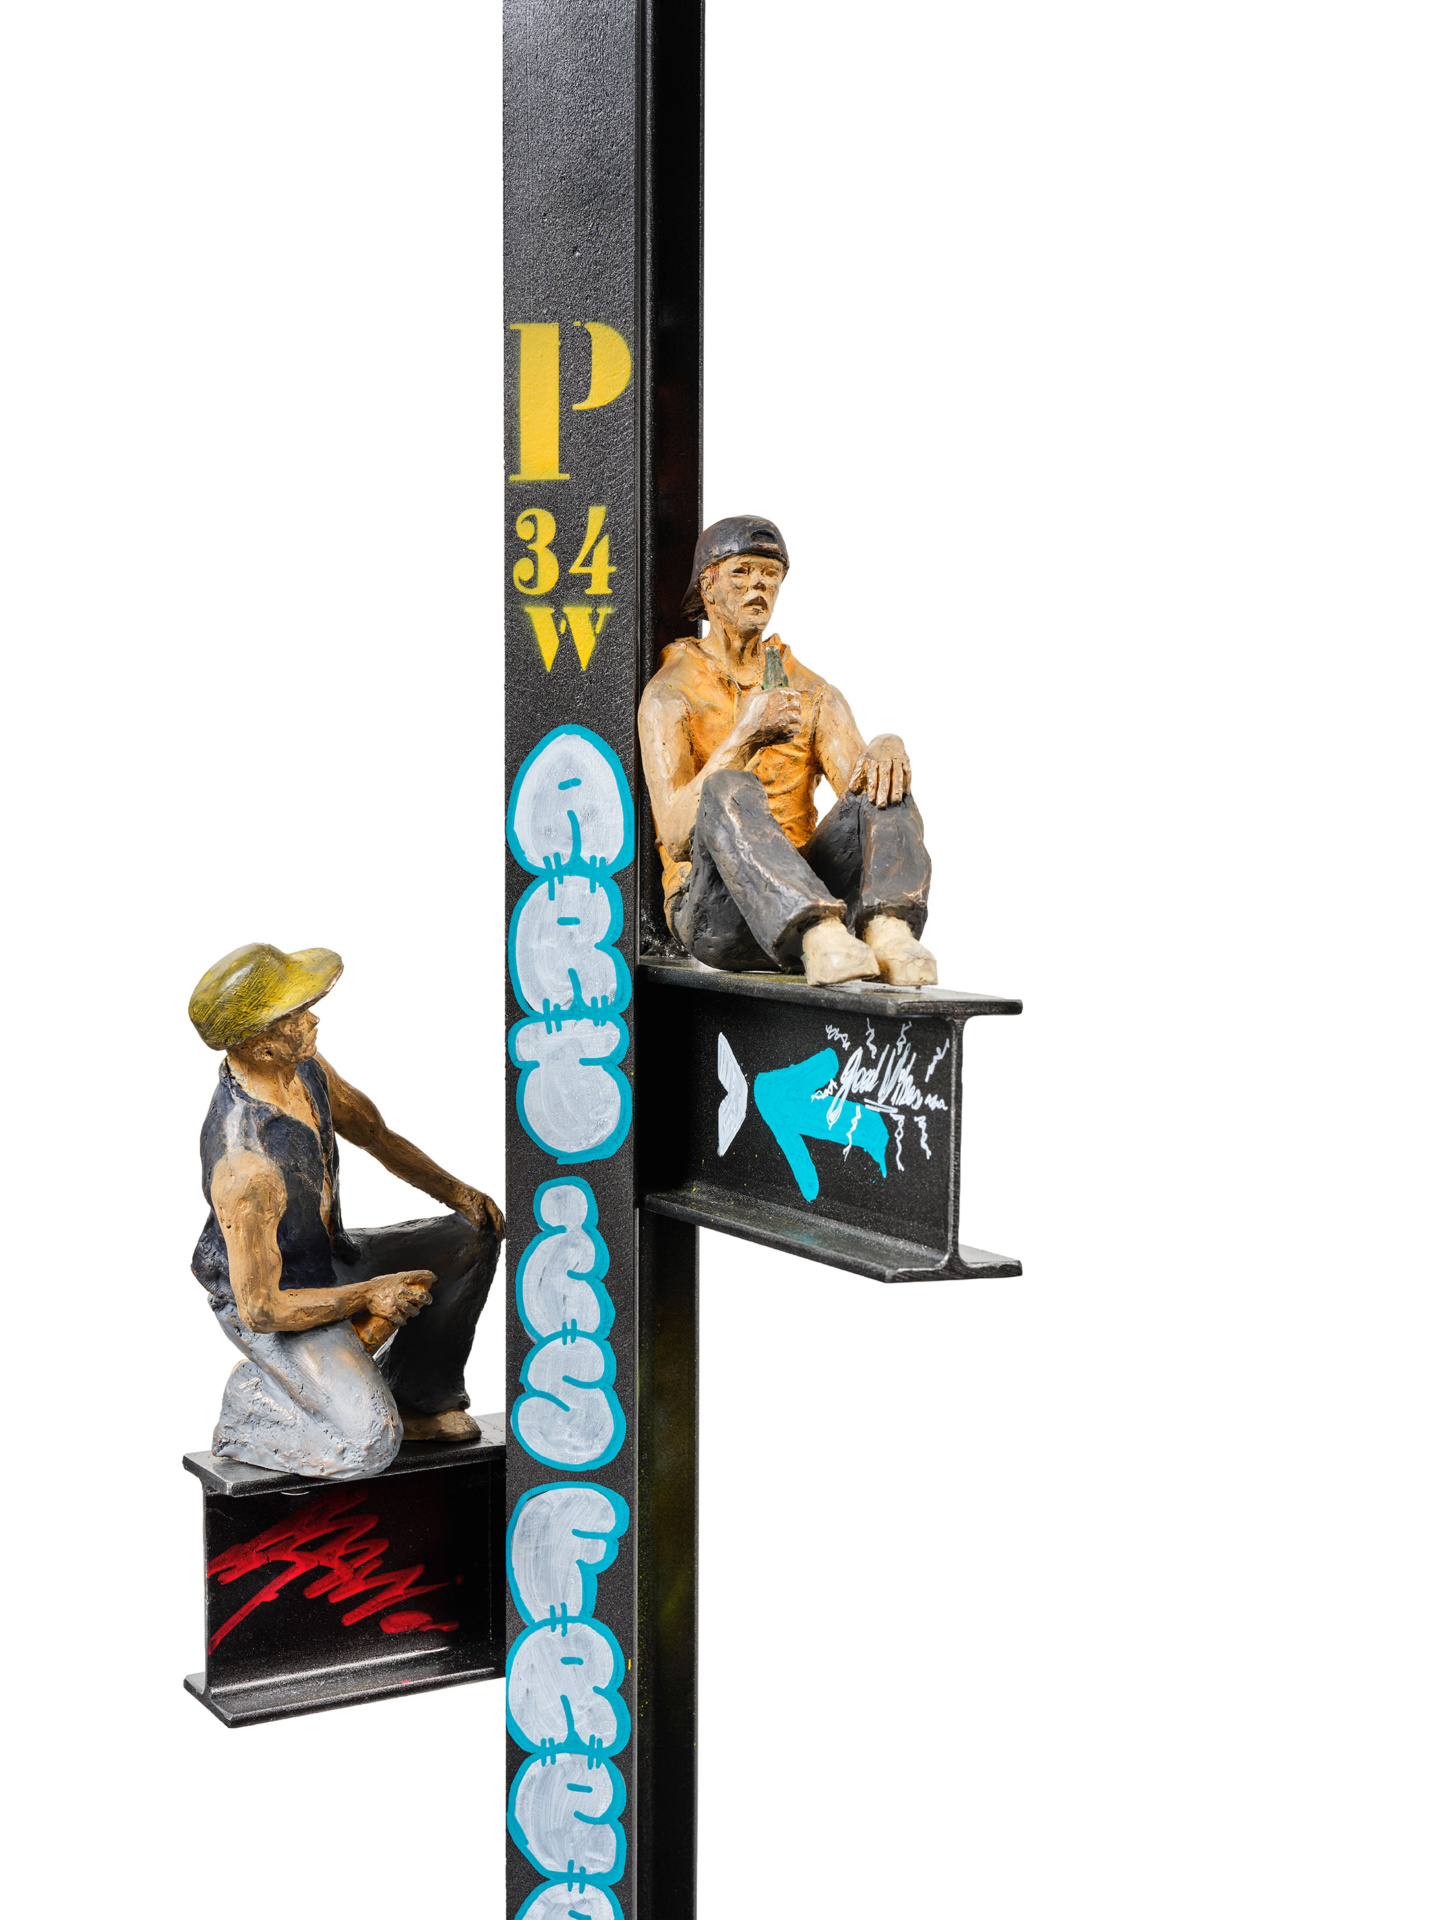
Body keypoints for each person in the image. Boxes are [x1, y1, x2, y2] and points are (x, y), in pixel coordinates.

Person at [189, 942, 504, 1480]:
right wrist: (368, 1296)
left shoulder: (305, 1072)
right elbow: (262, 1308)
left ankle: (419, 1396)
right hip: (274, 1298)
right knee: (368, 1446)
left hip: (329, 1258)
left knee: (472, 1234)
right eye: (295, 1015)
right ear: (261, 1044)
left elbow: (375, 1134)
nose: (313, 1020)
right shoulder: (244, 1167)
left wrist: (458, 1194)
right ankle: (251, 1405)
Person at [638, 514, 939, 988]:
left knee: (883, 777)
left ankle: (888, 929)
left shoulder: (813, 693)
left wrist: (886, 746)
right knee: (727, 785)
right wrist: (745, 737)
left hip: (820, 893)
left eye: (769, 574)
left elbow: (863, 795)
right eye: (741, 572)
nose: (758, 584)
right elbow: (676, 837)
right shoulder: (670, 692)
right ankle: (815, 932)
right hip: (717, 913)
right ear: (708, 587)